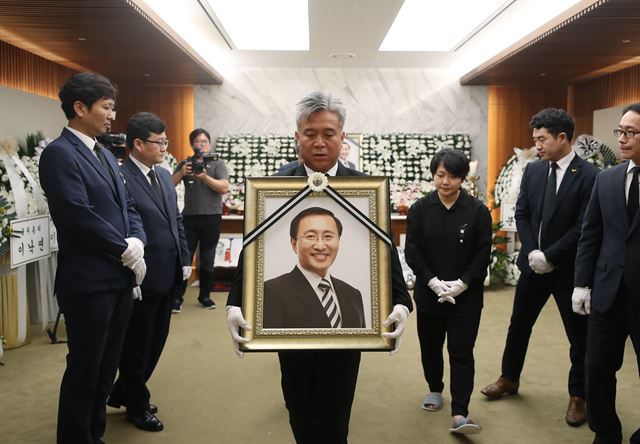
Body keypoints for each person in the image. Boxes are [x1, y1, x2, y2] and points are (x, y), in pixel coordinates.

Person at [226, 91, 413, 444]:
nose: (320, 142)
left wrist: (402, 302)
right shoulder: (275, 185)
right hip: (288, 321)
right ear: (297, 137)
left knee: (336, 416)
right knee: (299, 408)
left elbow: (384, 248)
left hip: (348, 326)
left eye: (329, 133)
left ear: (343, 138)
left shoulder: (366, 188)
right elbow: (254, 247)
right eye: (310, 133)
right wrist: (235, 301)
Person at [39, 72, 147, 444]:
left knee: (104, 371)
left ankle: (93, 436)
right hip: (88, 283)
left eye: (112, 107)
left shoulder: (102, 152)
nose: (111, 115)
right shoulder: (59, 154)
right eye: (106, 106)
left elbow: (128, 204)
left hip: (118, 280)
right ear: (80, 107)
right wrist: (123, 248)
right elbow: (76, 213)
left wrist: (137, 240)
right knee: (85, 370)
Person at [481, 108, 599, 427]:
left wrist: (551, 256)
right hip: (533, 266)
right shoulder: (533, 171)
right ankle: (509, 378)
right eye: (534, 139)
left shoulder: (589, 176)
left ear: (563, 137)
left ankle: (579, 395)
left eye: (542, 139)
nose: (537, 145)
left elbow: (583, 226)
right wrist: (533, 252)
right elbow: (522, 214)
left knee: (579, 336)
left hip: (569, 271)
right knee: (519, 325)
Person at [107, 112, 191, 432]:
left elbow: (176, 222)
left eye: (166, 141)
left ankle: (123, 391)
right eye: (159, 142)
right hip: (142, 276)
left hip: (168, 273)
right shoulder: (122, 178)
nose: (164, 147)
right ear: (138, 144)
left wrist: (184, 258)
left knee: (157, 340)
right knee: (137, 344)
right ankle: (137, 406)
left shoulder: (164, 176)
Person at [405, 148, 492, 434]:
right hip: (430, 296)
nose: (445, 182)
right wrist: (431, 282)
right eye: (440, 175)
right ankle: (434, 388)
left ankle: (460, 412)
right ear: (433, 175)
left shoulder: (477, 211)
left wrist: (462, 283)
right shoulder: (419, 209)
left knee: (461, 351)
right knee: (430, 348)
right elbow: (413, 252)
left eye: (453, 176)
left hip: (465, 297)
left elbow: (482, 254)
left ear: (463, 179)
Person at [572, 103, 640, 444]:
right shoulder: (608, 178)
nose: (622, 139)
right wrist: (581, 284)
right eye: (620, 131)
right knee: (597, 366)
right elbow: (591, 233)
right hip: (607, 290)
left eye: (630, 132)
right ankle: (606, 429)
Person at [263, 207, 365, 329]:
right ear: (294, 244)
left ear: (338, 241)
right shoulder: (270, 292)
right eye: (311, 236)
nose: (320, 246)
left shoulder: (353, 295)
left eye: (328, 236)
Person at [172, 128, 229, 310]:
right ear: (192, 144)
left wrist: (205, 177)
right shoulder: (185, 164)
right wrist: (181, 173)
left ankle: (205, 296)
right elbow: (168, 185)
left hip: (211, 217)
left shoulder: (217, 163)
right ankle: (177, 299)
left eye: (204, 141)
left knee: (207, 259)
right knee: (184, 259)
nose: (201, 145)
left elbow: (224, 187)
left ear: (209, 143)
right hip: (188, 218)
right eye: (197, 141)